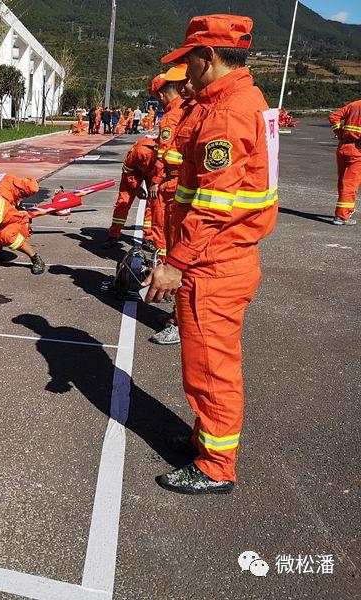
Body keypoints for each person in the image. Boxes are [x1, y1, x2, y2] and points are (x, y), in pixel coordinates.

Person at [144, 14, 278, 495]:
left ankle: (215, 467)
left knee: (210, 369)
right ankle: (207, 438)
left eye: (187, 60)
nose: (185, 72)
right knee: (210, 365)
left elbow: (212, 204)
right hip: (227, 256)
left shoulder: (227, 112)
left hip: (213, 262)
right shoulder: (239, 101)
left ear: (207, 56)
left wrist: (174, 263)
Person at [148, 65, 203, 346]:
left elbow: (168, 155)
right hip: (180, 188)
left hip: (176, 188)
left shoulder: (177, 115)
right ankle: (181, 317)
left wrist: (157, 178)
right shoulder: (191, 111)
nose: (185, 88)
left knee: (179, 252)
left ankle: (181, 321)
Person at [147, 66, 188, 260]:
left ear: (162, 95)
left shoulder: (171, 116)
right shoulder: (189, 109)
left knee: (161, 225)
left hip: (170, 181)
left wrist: (155, 179)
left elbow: (163, 153)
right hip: (186, 179)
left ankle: (162, 264)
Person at [101, 135, 156, 249]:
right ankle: (113, 235)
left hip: (154, 175)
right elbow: (127, 169)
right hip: (133, 172)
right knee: (123, 203)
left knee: (153, 206)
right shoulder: (141, 151)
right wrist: (137, 188)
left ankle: (148, 239)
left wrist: (156, 184)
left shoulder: (168, 151)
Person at [328, 99, 361, 225]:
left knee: (343, 182)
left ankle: (346, 210)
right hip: (357, 151)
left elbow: (333, 116)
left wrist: (339, 132)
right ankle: (342, 216)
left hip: (343, 148)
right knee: (350, 184)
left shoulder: (355, 104)